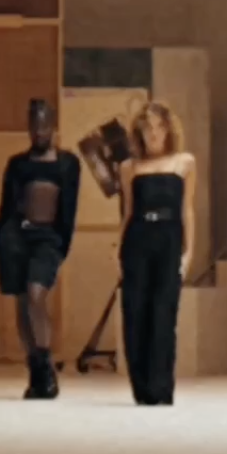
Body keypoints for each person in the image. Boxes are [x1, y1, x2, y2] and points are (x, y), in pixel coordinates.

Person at [89, 100, 199, 406]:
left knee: (164, 314)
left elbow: (187, 210)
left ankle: (161, 388)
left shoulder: (184, 162)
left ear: (169, 130)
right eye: (147, 127)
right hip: (138, 239)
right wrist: (117, 250)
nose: (154, 133)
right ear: (138, 132)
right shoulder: (129, 167)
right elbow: (127, 213)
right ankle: (141, 389)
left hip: (169, 239)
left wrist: (189, 252)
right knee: (135, 313)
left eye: (159, 127)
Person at [0, 97, 84, 399]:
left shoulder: (68, 163)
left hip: (48, 239)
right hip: (17, 237)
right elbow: (6, 206)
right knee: (22, 302)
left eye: (44, 126)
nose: (39, 132)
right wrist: (1, 238)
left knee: (36, 294)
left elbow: (69, 209)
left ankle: (46, 366)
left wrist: (61, 246)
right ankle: (36, 373)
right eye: (34, 126)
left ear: (53, 126)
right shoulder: (17, 164)